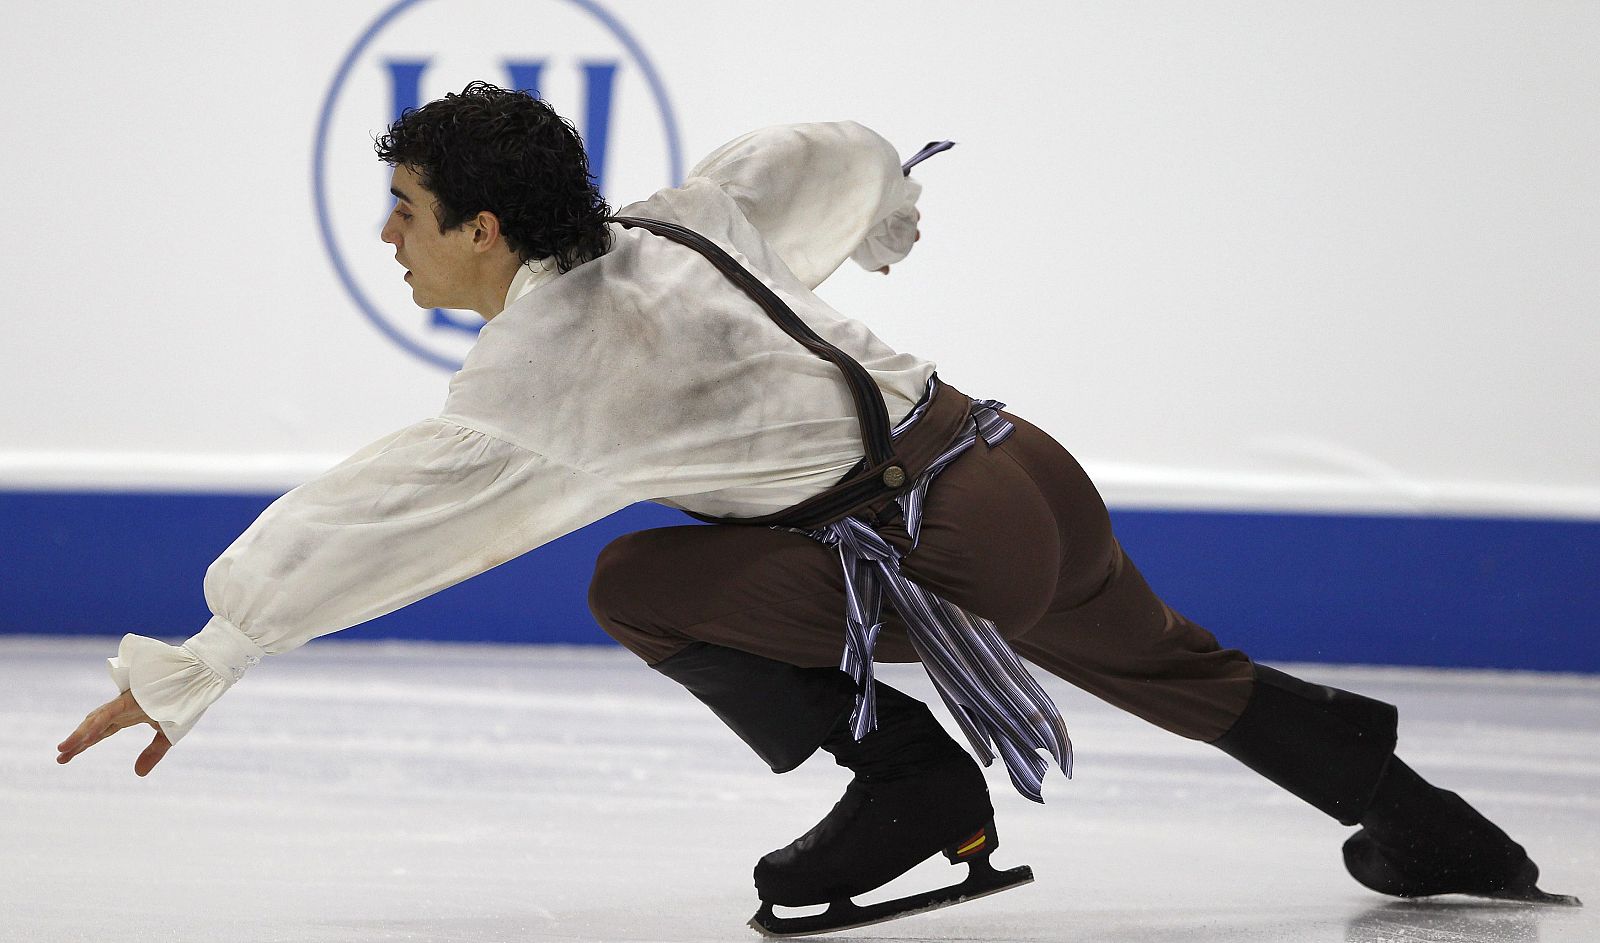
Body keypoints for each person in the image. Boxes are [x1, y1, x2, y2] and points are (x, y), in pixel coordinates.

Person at [56, 82, 1575, 934]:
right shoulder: (677, 216)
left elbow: (386, 516)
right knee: (1171, 663)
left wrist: (204, 654)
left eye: (406, 211)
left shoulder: (550, 368)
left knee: (637, 584)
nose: (390, 239)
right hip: (1016, 459)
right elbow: (824, 156)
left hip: (942, 549)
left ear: (486, 226)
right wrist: (892, 206)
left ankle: (914, 787)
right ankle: (1437, 831)